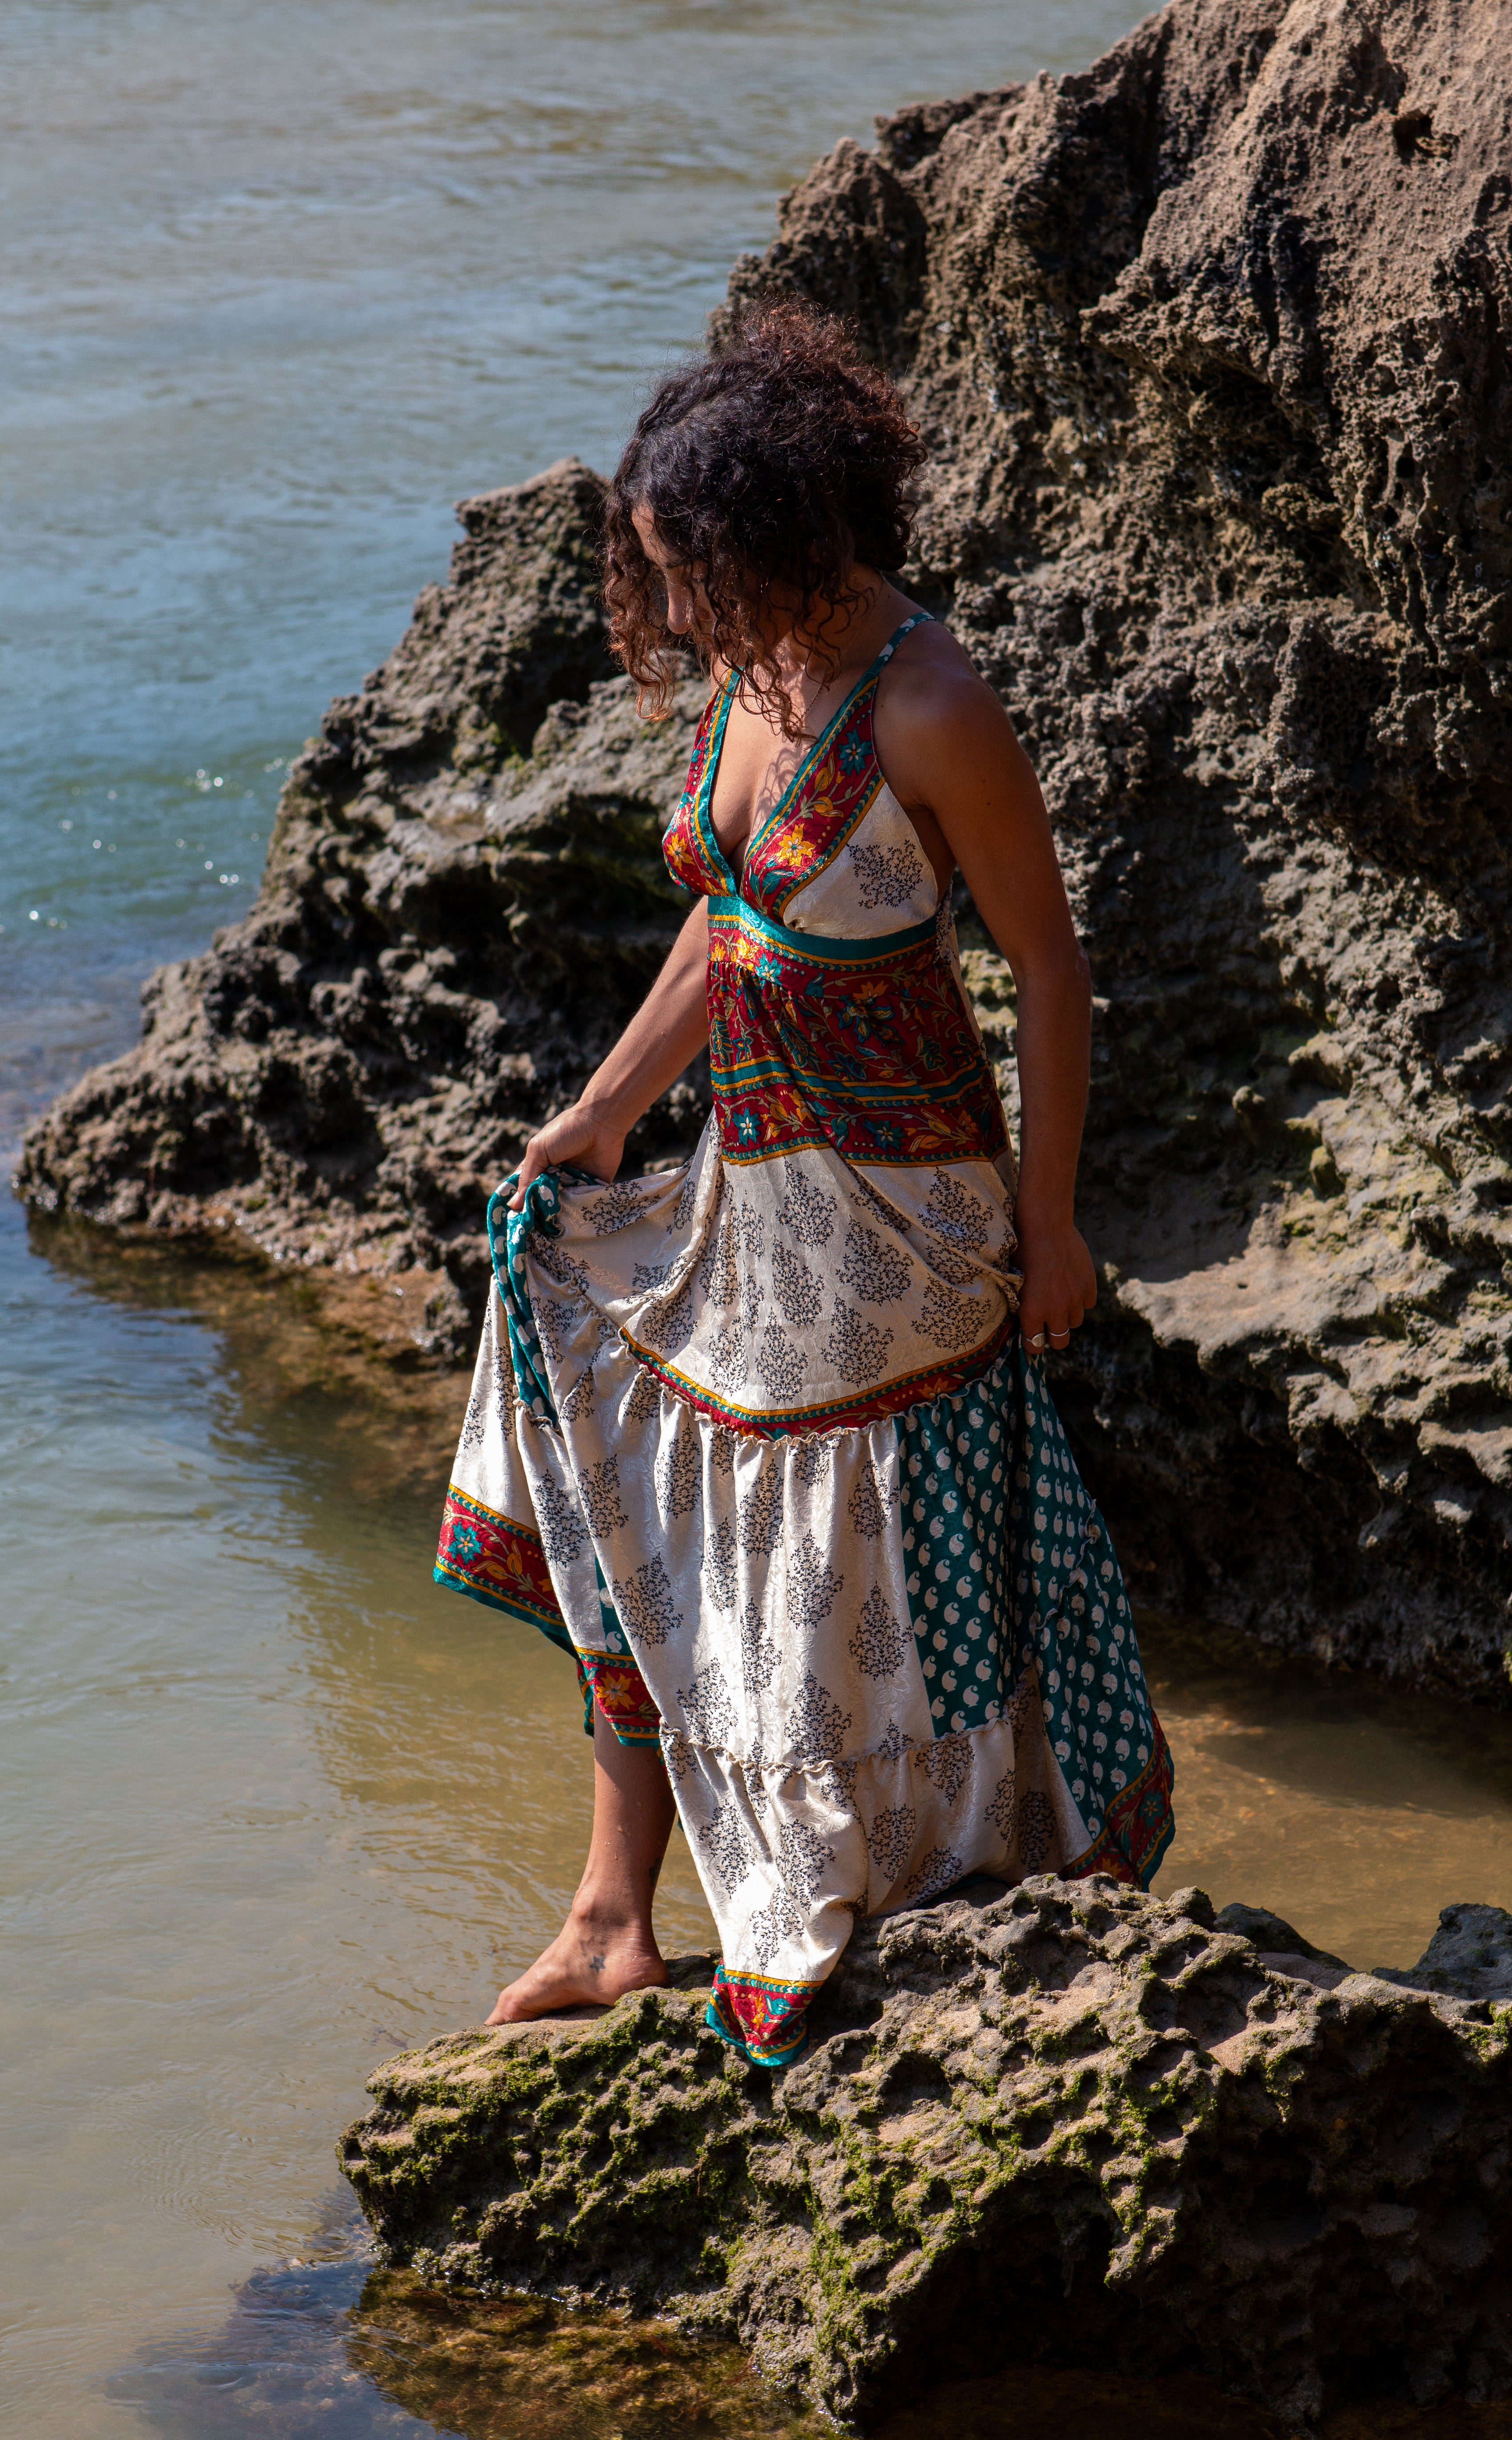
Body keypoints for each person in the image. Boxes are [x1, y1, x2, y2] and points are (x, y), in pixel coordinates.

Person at [434, 301, 1173, 2069]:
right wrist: (604, 1111)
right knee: (599, 1408)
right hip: (754, 1182)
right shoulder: (764, 671)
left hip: (904, 1216)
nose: (678, 610)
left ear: (776, 536)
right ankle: (612, 1914)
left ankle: (848, 1878)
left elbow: (1052, 975)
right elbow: (732, 919)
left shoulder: (932, 702)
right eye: (660, 571)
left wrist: (1052, 1224)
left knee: (790, 1554)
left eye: (693, 571)